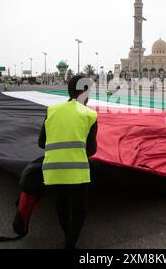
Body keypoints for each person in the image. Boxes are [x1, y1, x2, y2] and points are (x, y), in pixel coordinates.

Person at [13, 74, 98, 249]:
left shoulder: (52, 110)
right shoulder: (90, 115)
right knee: (79, 210)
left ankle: (67, 233)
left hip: (52, 171)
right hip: (77, 172)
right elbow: (92, 150)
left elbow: (41, 143)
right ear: (83, 92)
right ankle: (70, 242)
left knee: (62, 203)